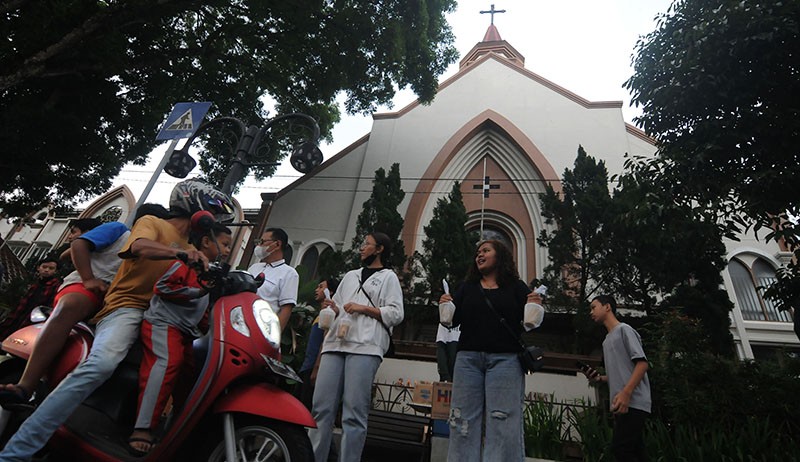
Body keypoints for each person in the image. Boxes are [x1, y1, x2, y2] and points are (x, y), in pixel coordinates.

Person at [0, 180, 234, 462]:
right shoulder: (154, 224)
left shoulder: (192, 247)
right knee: (102, 363)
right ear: (195, 207)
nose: (213, 223)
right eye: (212, 214)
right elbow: (139, 247)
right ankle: (17, 451)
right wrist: (180, 253)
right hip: (128, 308)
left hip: (161, 318)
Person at [0, 217, 130, 406]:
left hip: (117, 301)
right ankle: (26, 385)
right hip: (86, 289)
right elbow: (76, 247)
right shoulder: (120, 230)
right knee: (70, 307)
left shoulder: (163, 248)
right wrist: (88, 279)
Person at [128, 222, 232, 455]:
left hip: (186, 332)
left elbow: (203, 309)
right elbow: (162, 287)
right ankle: (142, 427)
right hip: (163, 324)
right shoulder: (185, 263)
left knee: (192, 375)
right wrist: (197, 292)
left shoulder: (211, 272)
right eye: (224, 245)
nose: (226, 251)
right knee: (167, 363)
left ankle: (177, 428)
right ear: (206, 242)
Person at [438, 239, 542, 462]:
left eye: (486, 250)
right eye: (477, 252)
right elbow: (452, 321)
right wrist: (445, 303)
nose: (479, 255)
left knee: (503, 420)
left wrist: (536, 304)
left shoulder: (516, 286)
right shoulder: (466, 287)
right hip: (467, 360)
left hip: (506, 360)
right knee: (462, 420)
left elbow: (530, 323)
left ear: (500, 256)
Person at [308, 232, 404, 462]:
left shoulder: (388, 277)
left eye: (367, 244)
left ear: (379, 249)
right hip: (335, 343)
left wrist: (364, 308)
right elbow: (340, 307)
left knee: (354, 413)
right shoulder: (351, 276)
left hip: (365, 346)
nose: (361, 248)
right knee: (321, 409)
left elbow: (396, 313)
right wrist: (333, 308)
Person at [583, 295, 651, 462]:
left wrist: (626, 393)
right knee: (634, 451)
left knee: (621, 448)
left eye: (593, 307)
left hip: (634, 401)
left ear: (607, 307)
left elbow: (642, 364)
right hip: (621, 404)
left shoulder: (624, 330)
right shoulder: (607, 341)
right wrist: (599, 379)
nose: (591, 312)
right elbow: (620, 373)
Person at [295, 277, 340, 410]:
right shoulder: (319, 315)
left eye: (321, 287)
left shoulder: (329, 315)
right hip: (306, 366)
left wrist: (317, 367)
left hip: (312, 368)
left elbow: (325, 341)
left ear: (330, 292)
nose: (316, 290)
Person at [247, 228, 299, 331]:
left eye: (262, 242)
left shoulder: (289, 273)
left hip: (262, 329)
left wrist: (274, 335)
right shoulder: (254, 268)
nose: (259, 246)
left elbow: (286, 309)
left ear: (277, 244)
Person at [0, 256, 61, 340]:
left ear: (55, 271)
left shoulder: (55, 287)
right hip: (18, 318)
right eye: (44, 267)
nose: (46, 270)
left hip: (32, 322)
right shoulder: (34, 284)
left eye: (51, 268)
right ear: (38, 268)